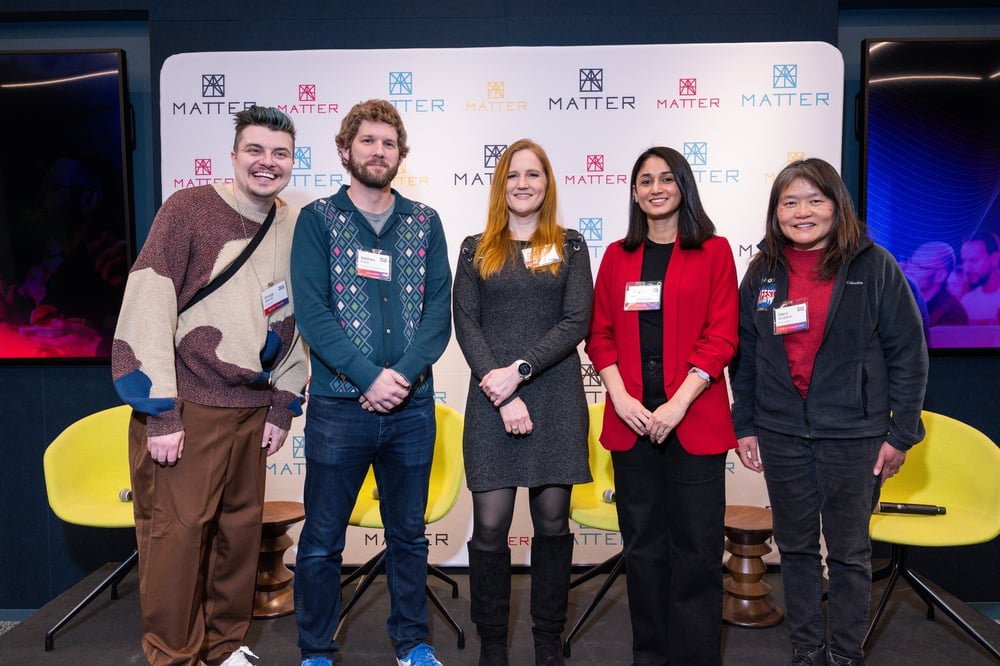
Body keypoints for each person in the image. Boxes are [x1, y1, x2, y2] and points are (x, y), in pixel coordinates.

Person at [111, 105, 307, 666]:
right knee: (175, 542)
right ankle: (174, 655)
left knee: (238, 540)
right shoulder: (189, 210)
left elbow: (296, 322)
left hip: (252, 410)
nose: (267, 164)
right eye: (255, 150)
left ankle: (225, 649)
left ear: (293, 162)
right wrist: (161, 413)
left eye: (280, 154)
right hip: (189, 407)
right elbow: (148, 303)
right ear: (235, 154)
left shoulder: (291, 224)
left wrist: (281, 406)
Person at [730, 158, 928, 666]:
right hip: (780, 432)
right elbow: (746, 354)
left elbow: (908, 353)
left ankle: (844, 654)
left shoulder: (873, 265)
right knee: (795, 552)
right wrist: (746, 424)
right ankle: (806, 649)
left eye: (814, 200)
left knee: (849, 555)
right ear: (776, 213)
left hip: (856, 436)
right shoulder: (763, 271)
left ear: (836, 205)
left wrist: (901, 433)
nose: (802, 212)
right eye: (789, 202)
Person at [291, 99, 452, 666]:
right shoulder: (317, 221)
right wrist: (366, 377)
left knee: (407, 536)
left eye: (388, 143)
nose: (378, 151)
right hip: (340, 407)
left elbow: (438, 313)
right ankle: (315, 649)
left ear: (400, 155)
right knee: (322, 540)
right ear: (345, 150)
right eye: (367, 141)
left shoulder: (425, 222)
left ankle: (413, 643)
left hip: (411, 408)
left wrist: (401, 378)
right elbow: (312, 313)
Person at [585, 146, 739, 665]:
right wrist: (622, 397)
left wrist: (678, 403)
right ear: (634, 192)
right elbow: (599, 335)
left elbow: (721, 337)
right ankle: (649, 656)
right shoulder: (616, 256)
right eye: (645, 180)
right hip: (632, 422)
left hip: (692, 418)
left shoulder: (714, 251)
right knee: (644, 550)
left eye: (666, 178)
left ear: (683, 186)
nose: (655, 188)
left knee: (695, 553)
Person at [453, 139, 593, 666]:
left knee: (553, 523)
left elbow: (576, 321)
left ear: (548, 183)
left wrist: (520, 371)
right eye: (513, 175)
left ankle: (545, 642)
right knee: (490, 525)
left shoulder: (571, 245)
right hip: (491, 398)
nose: (523, 183)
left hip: (553, 396)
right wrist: (500, 384)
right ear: (500, 185)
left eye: (534, 174)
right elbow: (466, 322)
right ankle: (493, 644)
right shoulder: (475, 247)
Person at [904, 241, 968, 326]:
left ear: (940, 276)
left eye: (919, 267)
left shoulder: (953, 314)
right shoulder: (904, 301)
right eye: (910, 263)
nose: (909, 271)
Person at [959, 231, 1000, 324]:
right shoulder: (967, 301)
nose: (966, 269)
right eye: (964, 261)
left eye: (973, 260)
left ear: (994, 259)